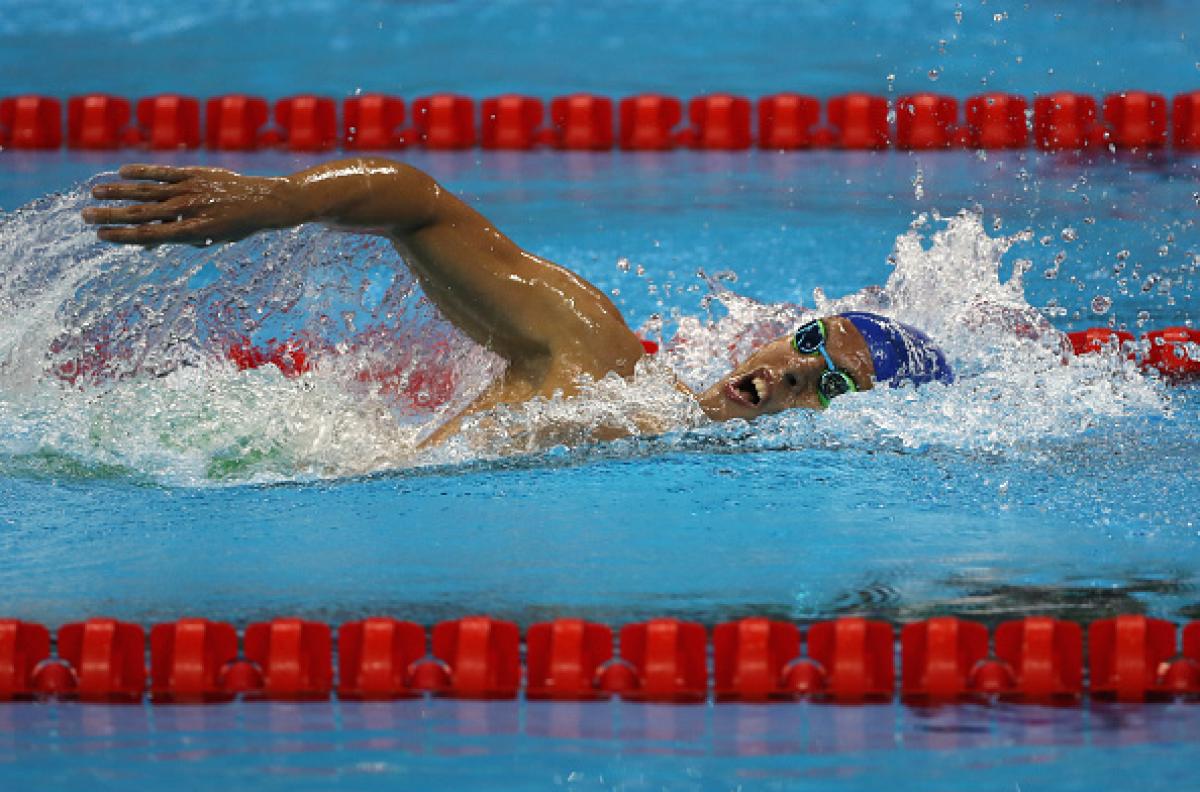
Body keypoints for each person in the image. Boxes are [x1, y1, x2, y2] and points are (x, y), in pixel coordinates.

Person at [82, 158, 952, 446]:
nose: (794, 373)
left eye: (831, 385)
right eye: (807, 342)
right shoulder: (596, 358)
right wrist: (280, 203)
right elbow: (418, 202)